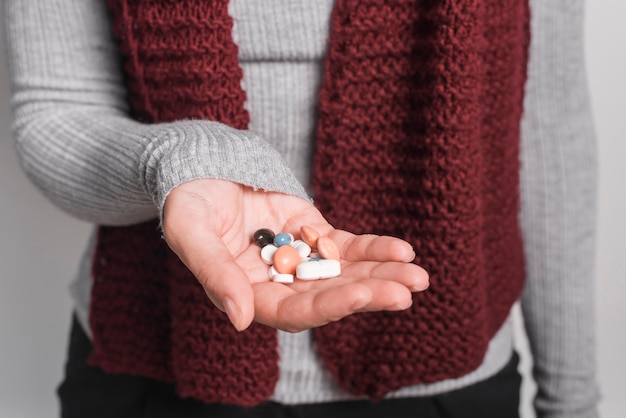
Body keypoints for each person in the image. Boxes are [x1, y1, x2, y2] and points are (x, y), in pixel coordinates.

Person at [3, 0, 600, 417]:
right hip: (158, 366)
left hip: (446, 372)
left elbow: (550, 131)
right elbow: (55, 110)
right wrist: (182, 160)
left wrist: (571, 401)